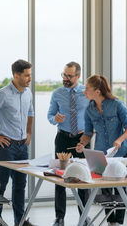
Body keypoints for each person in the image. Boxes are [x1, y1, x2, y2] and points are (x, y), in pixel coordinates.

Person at [0, 59, 36, 226]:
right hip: (6, 147)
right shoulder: (2, 94)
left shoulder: (28, 93)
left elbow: (31, 112)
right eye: (26, 76)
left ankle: (20, 221)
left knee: (20, 186)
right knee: (0, 186)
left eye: (30, 75)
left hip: (22, 147)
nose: (29, 79)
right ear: (16, 75)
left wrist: (29, 132)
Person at [76, 75, 127, 226]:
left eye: (87, 89)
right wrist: (82, 143)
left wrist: (119, 141)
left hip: (120, 152)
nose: (84, 92)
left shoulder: (117, 105)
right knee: (106, 189)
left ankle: (119, 222)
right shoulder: (89, 109)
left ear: (98, 91)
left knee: (120, 187)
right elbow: (87, 134)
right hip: (101, 153)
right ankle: (111, 221)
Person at [47, 62, 89, 226]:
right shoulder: (57, 93)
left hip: (82, 140)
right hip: (63, 138)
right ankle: (59, 217)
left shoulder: (87, 92)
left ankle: (84, 216)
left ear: (78, 76)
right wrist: (54, 119)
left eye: (69, 76)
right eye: (64, 75)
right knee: (60, 177)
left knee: (83, 178)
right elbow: (50, 115)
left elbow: (93, 115)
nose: (65, 78)